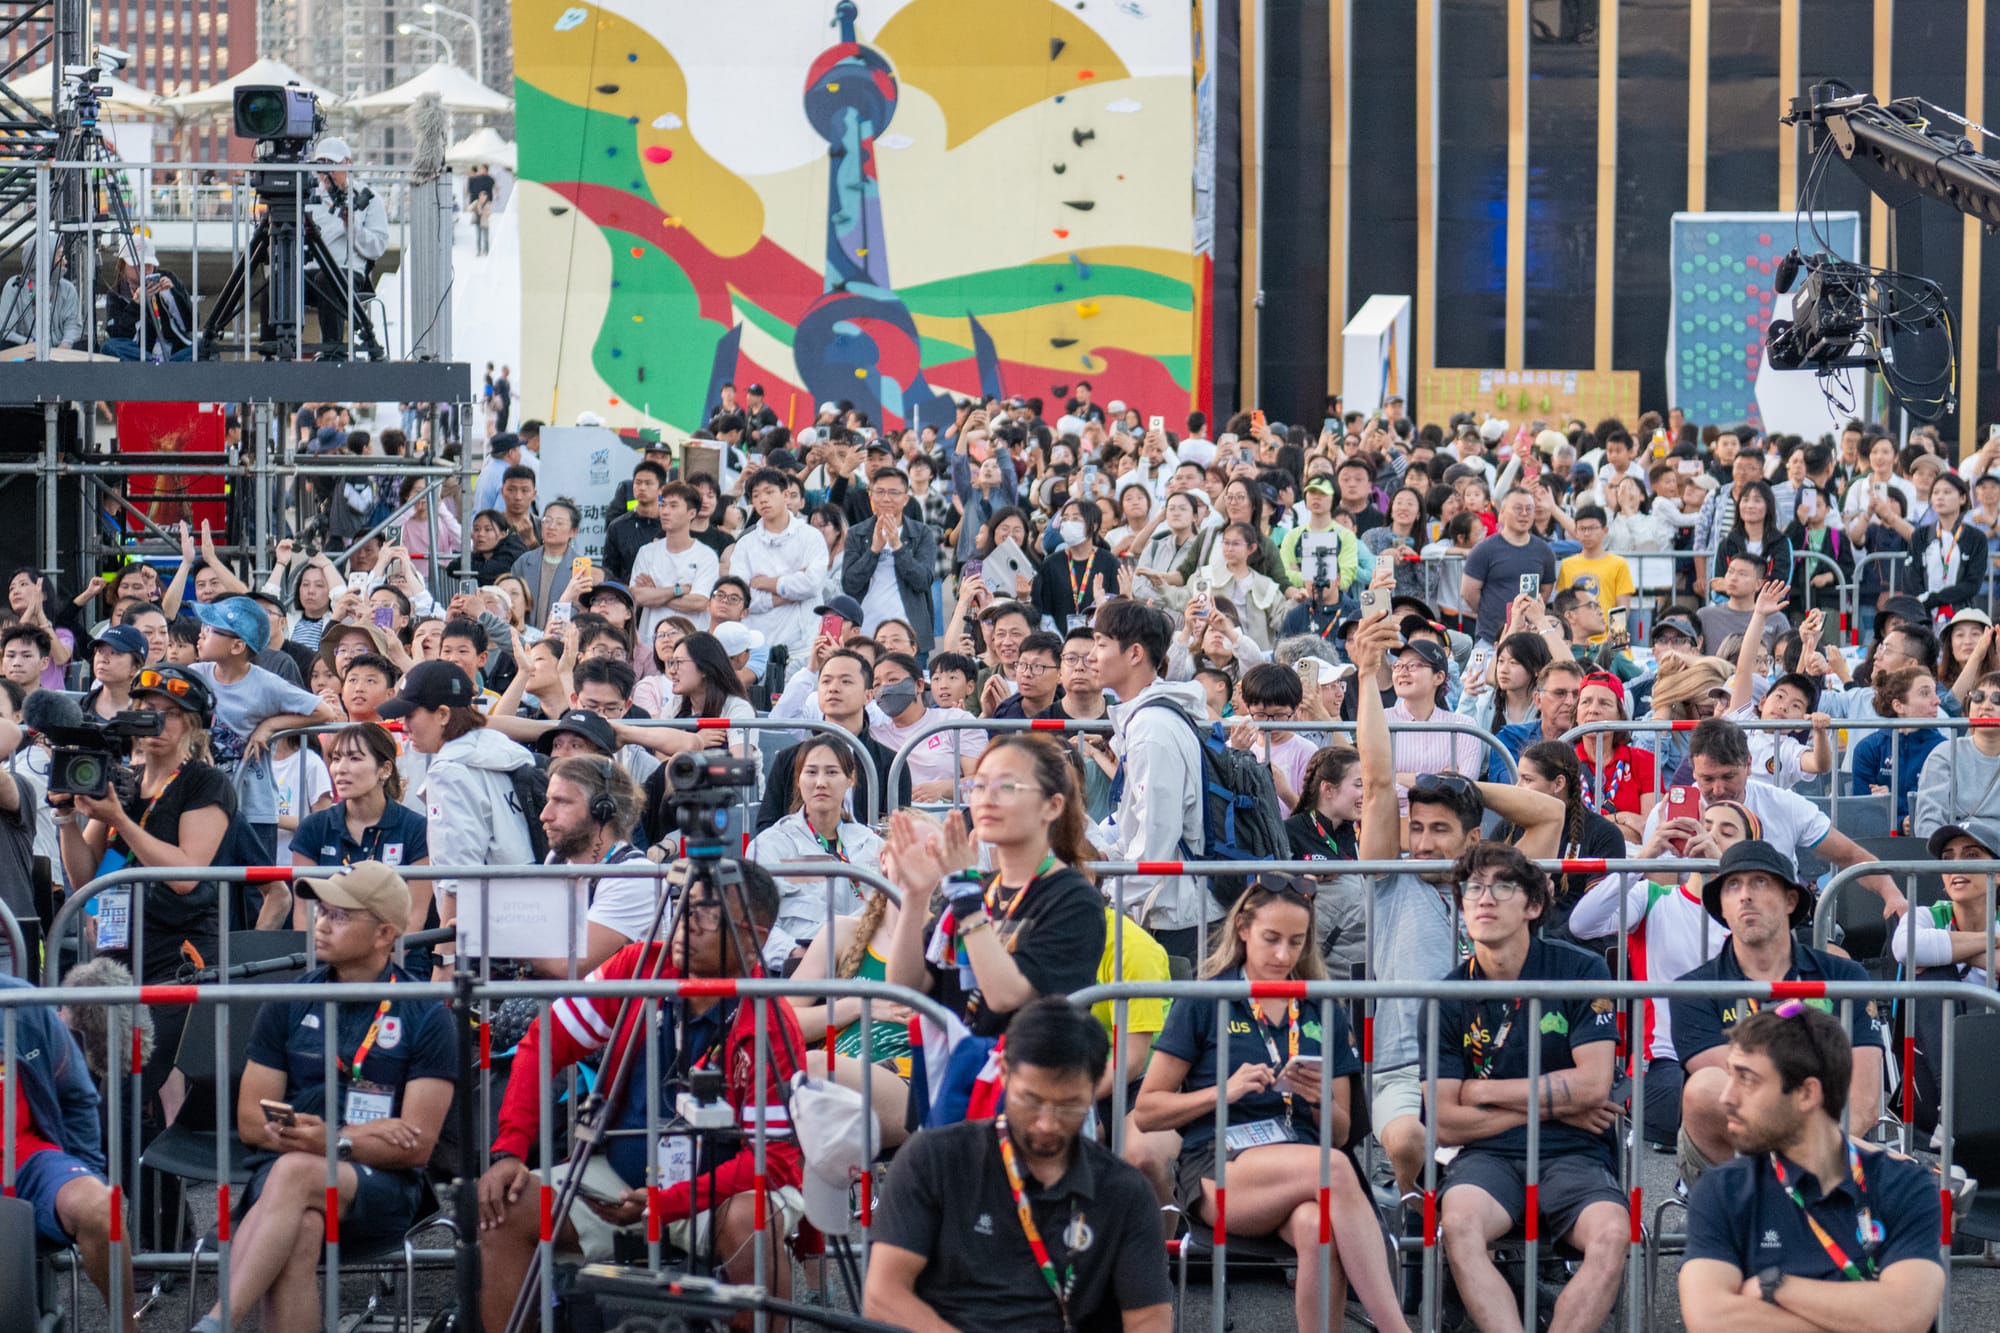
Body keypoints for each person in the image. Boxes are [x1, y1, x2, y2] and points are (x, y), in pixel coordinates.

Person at [476, 860, 806, 1333]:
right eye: (681, 906)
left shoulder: (769, 1019)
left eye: (705, 916)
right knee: (502, 1207)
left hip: (725, 1193)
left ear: (751, 940)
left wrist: (664, 1201)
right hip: (620, 1180)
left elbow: (771, 1160)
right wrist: (509, 1149)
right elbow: (543, 1040)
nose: (682, 925)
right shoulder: (640, 966)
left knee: (752, 1220)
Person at [1351, 608, 1567, 1204]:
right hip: (1404, 1068)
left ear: (1474, 841)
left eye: (1438, 830)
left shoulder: (1498, 884)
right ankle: (1420, 1232)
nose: (1420, 842)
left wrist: (1466, 788)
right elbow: (1374, 781)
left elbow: (1549, 814)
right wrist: (1368, 677)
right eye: (1414, 828)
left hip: (1491, 1069)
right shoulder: (1390, 878)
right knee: (1409, 1143)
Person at [1136, 878, 1409, 1333]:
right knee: (1337, 1169)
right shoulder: (1207, 999)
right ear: (1242, 929)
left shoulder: (1321, 1006)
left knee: (1316, 1227)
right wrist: (1223, 1091)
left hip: (1302, 1163)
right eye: (1271, 939)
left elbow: (1339, 1133)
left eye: (1296, 942)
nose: (1283, 955)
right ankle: (1396, 1328)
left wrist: (1319, 1097)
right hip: (1220, 1165)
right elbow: (1148, 1111)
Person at [191, 864, 454, 1333]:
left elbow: (415, 1147)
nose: (321, 923)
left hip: (383, 1188)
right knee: (304, 1226)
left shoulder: (426, 1015)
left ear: (384, 934)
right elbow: (251, 1122)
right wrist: (351, 1137)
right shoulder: (291, 999)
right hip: (290, 1178)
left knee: (295, 1173)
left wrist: (329, 1141)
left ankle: (216, 1323)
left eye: (340, 915)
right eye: (322, 911)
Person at [866, 997, 1174, 1333]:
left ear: (1095, 1086)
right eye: (1031, 1100)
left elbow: (1148, 1321)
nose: (1046, 1123)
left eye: (1069, 1105)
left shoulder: (1124, 1191)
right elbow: (884, 1295)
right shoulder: (934, 1159)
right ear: (1003, 1072)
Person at [1430, 842, 1630, 1333]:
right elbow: (1443, 1122)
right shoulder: (1447, 996)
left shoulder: (1582, 971)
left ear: (1534, 905)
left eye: (1502, 887)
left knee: (1613, 1234)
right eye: (1473, 888)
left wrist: (1481, 1092)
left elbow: (1592, 1085)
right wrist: (1552, 1106)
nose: (1484, 899)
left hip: (1575, 1154)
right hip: (1486, 1157)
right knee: (1458, 1224)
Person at [1678, 1005, 1944, 1333]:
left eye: (1747, 1079)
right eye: (1730, 1075)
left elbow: (1905, 1317)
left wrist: (1774, 1286)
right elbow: (1710, 1319)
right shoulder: (1722, 1190)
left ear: (1806, 1094)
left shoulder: (1905, 1185)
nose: (1728, 1097)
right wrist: (1862, 1317)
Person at [53, 666, 234, 1127]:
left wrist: (121, 818)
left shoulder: (204, 783)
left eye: (168, 714)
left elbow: (186, 874)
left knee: (140, 1074)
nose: (153, 723)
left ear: (192, 724)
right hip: (117, 948)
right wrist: (67, 818)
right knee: (107, 1077)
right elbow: (85, 875)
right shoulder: (122, 779)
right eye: (146, 711)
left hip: (178, 949)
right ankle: (133, 1185)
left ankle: (154, 1185)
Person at [1669, 839, 1888, 1194]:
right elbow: (1739, 1095)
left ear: (1790, 900)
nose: (1745, 896)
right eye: (1733, 885)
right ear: (1721, 907)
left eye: (1760, 882)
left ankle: (1809, 1174)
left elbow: (1863, 1101)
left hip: (1831, 1155)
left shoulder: (1845, 977)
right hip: (1729, 1151)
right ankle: (1892, 1168)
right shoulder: (1693, 988)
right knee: (1705, 1088)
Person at [884, 735, 1106, 1039]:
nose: (987, 798)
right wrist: (915, 896)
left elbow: (1004, 995)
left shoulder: (1075, 899)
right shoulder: (979, 889)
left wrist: (965, 896)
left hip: (1026, 1077)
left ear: (1052, 806)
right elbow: (906, 986)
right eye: (979, 786)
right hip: (958, 1074)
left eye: (1007, 787)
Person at [1640, 716, 1908, 917]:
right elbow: (1662, 903)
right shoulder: (1668, 816)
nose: (1718, 789)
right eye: (1707, 779)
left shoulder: (1783, 803)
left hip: (1776, 927)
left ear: (1748, 765)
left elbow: (1851, 856)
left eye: (1728, 776)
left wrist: (1892, 894)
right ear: (1693, 771)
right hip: (1698, 928)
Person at [378, 662, 535, 980]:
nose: (404, 726)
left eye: (411, 715)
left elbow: (457, 875)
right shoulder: (500, 748)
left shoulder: (448, 770)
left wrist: (444, 965)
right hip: (530, 915)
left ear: (444, 715)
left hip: (483, 933)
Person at [1090, 600, 1211, 963]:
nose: (1090, 656)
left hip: (1173, 912)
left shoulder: (1152, 728)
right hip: (1166, 902)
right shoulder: (1146, 718)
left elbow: (1157, 832)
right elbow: (1138, 822)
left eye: (1100, 643)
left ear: (1135, 653)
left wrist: (1114, 896)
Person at [0, 974, 128, 1311]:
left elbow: (76, 1096)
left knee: (101, 1207)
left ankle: (127, 1328)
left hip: (26, 1160)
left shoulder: (21, 1002)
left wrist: (90, 1172)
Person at [187, 595, 339, 869]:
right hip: (206, 803)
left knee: (256, 891)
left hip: (254, 808)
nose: (201, 634)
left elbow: (324, 712)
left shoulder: (267, 683)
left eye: (211, 629)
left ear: (237, 645)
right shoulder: (196, 675)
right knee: (213, 890)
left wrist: (270, 725)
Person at [745, 736, 885, 970]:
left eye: (831, 772)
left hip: (864, 968)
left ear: (850, 779)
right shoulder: (771, 845)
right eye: (811, 772)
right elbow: (755, 926)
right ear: (798, 780)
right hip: (795, 970)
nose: (821, 782)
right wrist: (801, 956)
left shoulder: (871, 845)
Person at [753, 650, 909, 832]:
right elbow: (766, 827)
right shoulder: (788, 760)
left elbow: (899, 833)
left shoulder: (890, 763)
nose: (833, 688)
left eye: (846, 681)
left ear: (868, 696)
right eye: (826, 681)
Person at [731, 465, 831, 660]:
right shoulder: (745, 544)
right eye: (756, 494)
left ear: (786, 495)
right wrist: (791, 590)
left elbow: (812, 584)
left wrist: (767, 583)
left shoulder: (810, 536)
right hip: (758, 646)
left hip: (803, 646)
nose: (763, 499)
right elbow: (741, 598)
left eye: (769, 492)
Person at [302, 137, 389, 356]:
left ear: (347, 164)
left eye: (331, 166)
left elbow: (378, 246)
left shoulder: (369, 199)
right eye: (321, 167)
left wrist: (352, 226)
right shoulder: (309, 198)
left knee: (328, 278)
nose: (325, 174)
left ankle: (333, 350)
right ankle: (275, 351)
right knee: (277, 282)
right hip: (311, 272)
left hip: (349, 273)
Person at [843, 468, 938, 653]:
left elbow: (923, 580)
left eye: (894, 493)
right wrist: (874, 551)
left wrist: (897, 546)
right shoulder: (857, 533)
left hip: (909, 638)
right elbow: (849, 584)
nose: (886, 499)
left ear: (905, 499)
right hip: (867, 635)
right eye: (880, 492)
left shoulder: (921, 533)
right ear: (871, 495)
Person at [1459, 488, 1557, 645]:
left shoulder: (1544, 551)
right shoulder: (1484, 549)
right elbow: (1469, 592)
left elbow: (1545, 590)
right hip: (1490, 637)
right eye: (1518, 508)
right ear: (1502, 512)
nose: (1524, 513)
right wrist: (1490, 611)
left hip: (1529, 640)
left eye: (1529, 509)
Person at [631, 482, 718, 648]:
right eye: (663, 505)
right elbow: (637, 596)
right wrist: (678, 590)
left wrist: (656, 593)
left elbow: (699, 603)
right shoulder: (647, 552)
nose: (664, 511)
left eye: (673, 506)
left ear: (691, 513)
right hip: (651, 643)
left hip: (691, 644)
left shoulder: (706, 556)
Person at [102, 240, 195, 361]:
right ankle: (152, 365)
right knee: (109, 347)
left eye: (149, 265)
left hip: (173, 352)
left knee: (204, 349)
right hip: (139, 355)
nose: (145, 270)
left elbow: (191, 324)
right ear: (122, 265)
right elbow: (117, 335)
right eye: (138, 265)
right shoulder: (116, 293)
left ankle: (157, 367)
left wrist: (172, 296)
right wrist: (135, 305)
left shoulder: (167, 277)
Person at [0, 231, 83, 351]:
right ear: (45, 258)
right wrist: (34, 345)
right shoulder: (14, 286)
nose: (65, 261)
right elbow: (6, 332)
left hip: (60, 354)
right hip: (23, 353)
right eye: (60, 256)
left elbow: (72, 326)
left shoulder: (68, 289)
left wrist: (64, 347)